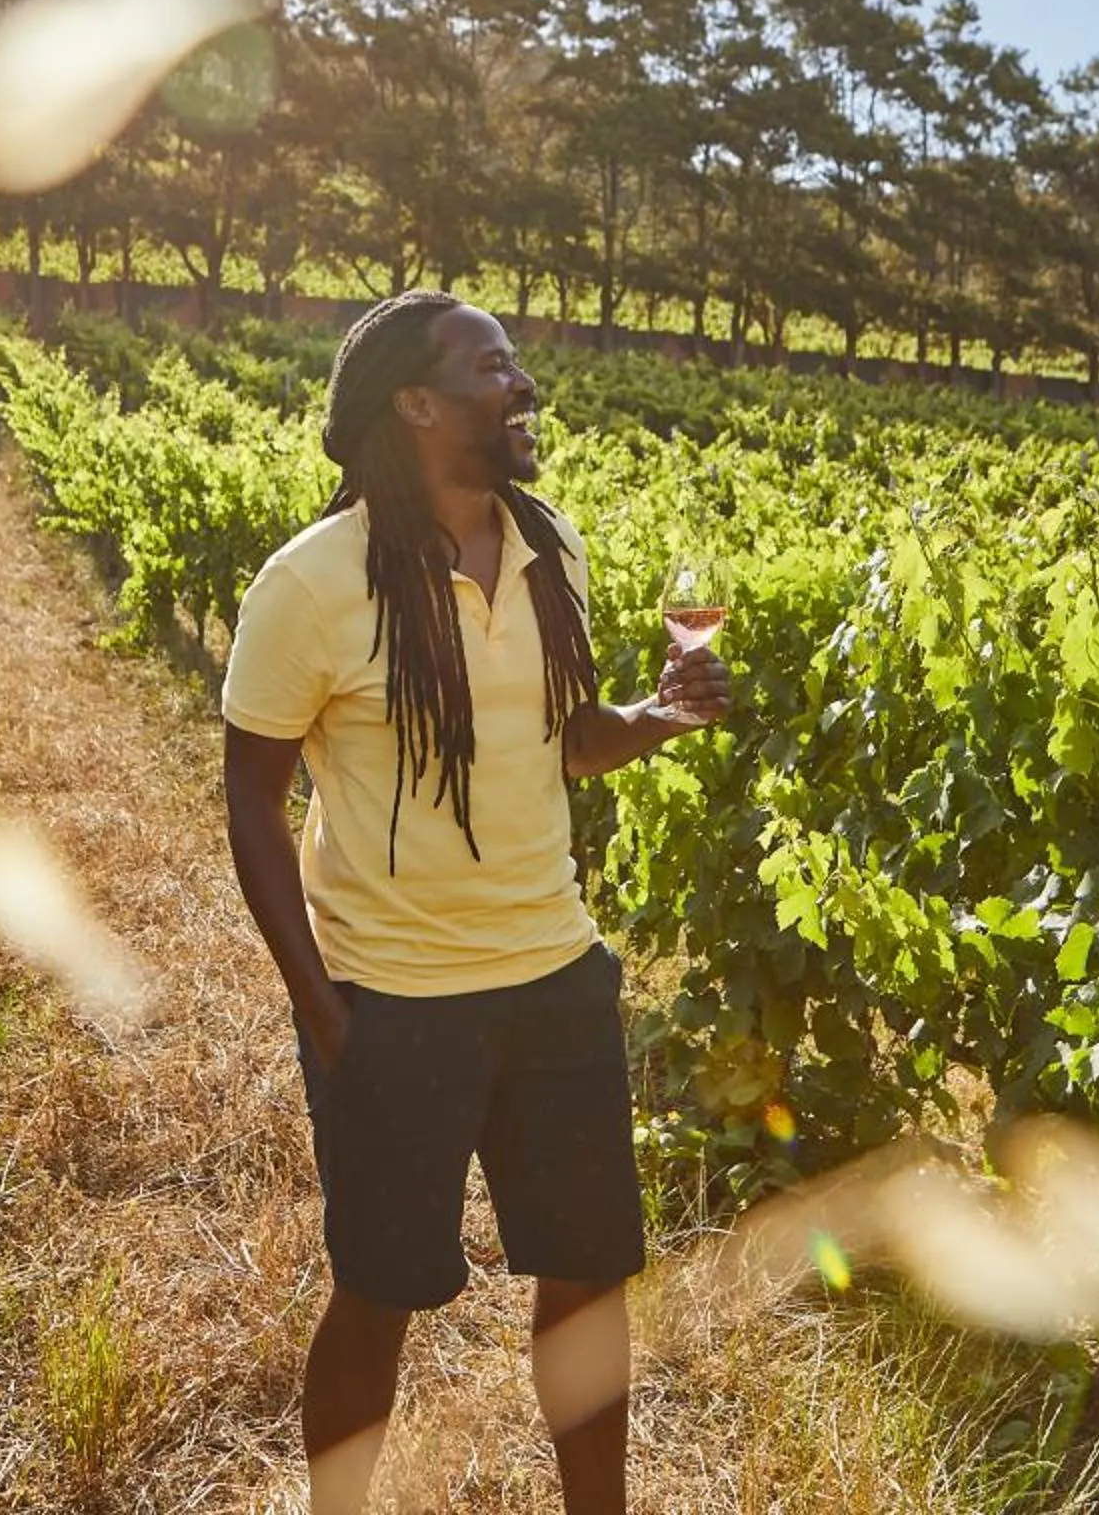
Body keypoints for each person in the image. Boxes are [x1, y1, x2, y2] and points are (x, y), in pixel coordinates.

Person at [221, 290, 733, 1515]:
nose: (524, 384)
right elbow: (250, 804)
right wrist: (327, 1015)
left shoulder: (551, 544)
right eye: (494, 366)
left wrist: (656, 717)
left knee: (590, 1276)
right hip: (394, 999)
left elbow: (567, 737)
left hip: (556, 975)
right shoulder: (313, 582)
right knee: (381, 1290)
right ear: (416, 402)